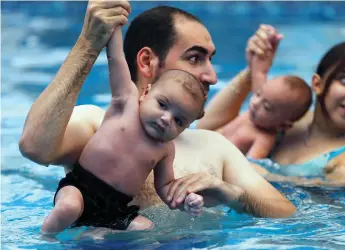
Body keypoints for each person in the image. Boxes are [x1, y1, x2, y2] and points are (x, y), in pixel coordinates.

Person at [19, 1, 296, 231]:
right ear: (147, 62)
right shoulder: (98, 124)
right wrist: (89, 44)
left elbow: (287, 214)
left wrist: (228, 193)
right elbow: (33, 147)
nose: (211, 75)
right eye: (195, 58)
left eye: (210, 60)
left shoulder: (214, 146)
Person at [41, 27, 207, 234]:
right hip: (81, 189)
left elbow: (165, 187)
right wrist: (114, 26)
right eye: (162, 105)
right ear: (146, 93)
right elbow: (116, 59)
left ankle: (97, 234)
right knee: (68, 207)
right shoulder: (125, 104)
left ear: (187, 127)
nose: (166, 119)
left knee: (146, 228)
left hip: (116, 208)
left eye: (179, 120)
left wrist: (185, 201)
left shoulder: (165, 149)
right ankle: (45, 240)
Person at [197, 24, 345, 187]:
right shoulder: (288, 118)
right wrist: (253, 70)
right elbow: (206, 130)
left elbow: (326, 213)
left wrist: (263, 176)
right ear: (318, 84)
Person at [217, 74, 312, 159]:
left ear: (283, 125)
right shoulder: (250, 115)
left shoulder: (263, 140)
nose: (255, 103)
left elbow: (251, 166)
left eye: (267, 107)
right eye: (258, 94)